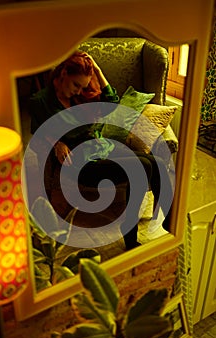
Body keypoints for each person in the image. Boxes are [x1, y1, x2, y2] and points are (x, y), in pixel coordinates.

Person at [29, 50, 174, 250]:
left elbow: (112, 102)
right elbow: (36, 137)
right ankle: (130, 233)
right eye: (76, 85)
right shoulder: (40, 101)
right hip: (80, 162)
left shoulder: (81, 95)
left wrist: (97, 70)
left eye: (83, 85)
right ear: (63, 75)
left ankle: (170, 221)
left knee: (155, 163)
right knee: (141, 167)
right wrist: (56, 143)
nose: (79, 91)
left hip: (101, 147)